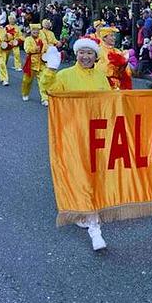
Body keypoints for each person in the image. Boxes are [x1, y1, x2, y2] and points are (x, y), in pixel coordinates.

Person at [48, 36, 113, 252]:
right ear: (77, 54)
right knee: (81, 175)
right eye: (82, 53)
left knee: (95, 174)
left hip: (97, 133)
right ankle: (95, 229)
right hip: (73, 133)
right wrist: (50, 70)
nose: (85, 57)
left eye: (90, 53)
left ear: (96, 56)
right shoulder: (65, 75)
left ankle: (84, 211)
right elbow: (49, 92)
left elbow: (109, 102)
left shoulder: (101, 76)